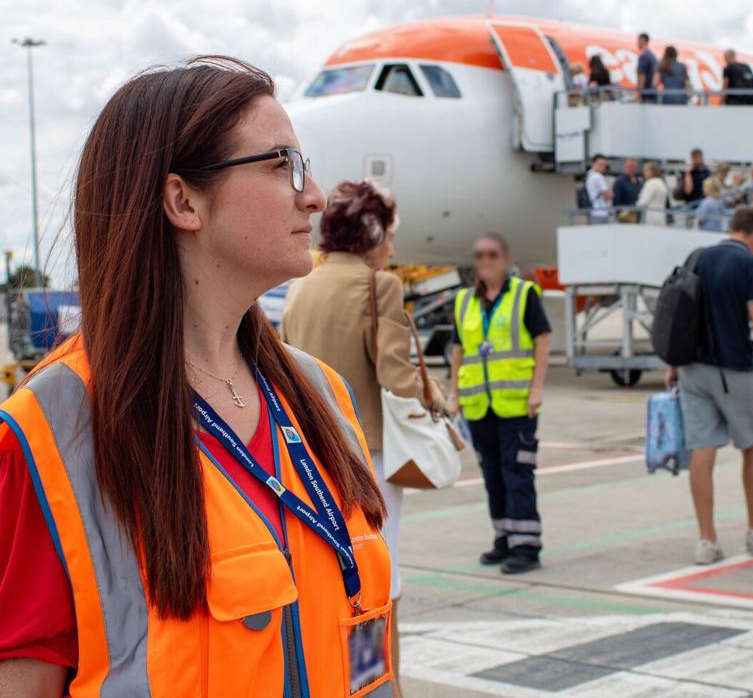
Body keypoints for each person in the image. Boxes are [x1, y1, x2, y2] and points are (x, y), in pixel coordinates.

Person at [0, 57, 396, 696]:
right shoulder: (55, 426)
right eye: (281, 165)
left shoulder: (323, 394)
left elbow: (366, 636)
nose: (315, 194)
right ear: (183, 199)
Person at [281, 179, 446, 691]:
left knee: (333, 576)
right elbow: (398, 378)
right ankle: (379, 683)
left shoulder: (301, 284)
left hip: (307, 453)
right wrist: (434, 392)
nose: (392, 249)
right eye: (389, 236)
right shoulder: (381, 287)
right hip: (367, 454)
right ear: (371, 233)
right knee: (381, 579)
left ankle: (344, 679)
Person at [667, 206, 753, 565]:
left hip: (693, 368)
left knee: (702, 450)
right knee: (752, 444)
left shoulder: (698, 258)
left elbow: (680, 313)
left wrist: (675, 363)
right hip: (732, 368)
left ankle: (707, 540)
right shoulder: (752, 267)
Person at [449, 233, 551, 575]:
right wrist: (453, 393)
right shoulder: (464, 300)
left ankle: (527, 545)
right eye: (480, 255)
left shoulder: (524, 294)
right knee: (492, 476)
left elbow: (542, 341)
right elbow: (458, 349)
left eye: (492, 255)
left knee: (517, 473)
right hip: (479, 404)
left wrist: (537, 389)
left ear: (505, 259)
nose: (486, 261)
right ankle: (505, 537)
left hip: (517, 404)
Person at [585, 153, 613, 223]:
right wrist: (610, 193)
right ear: (593, 163)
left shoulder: (589, 175)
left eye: (604, 165)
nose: (602, 167)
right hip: (600, 212)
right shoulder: (598, 176)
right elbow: (607, 196)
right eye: (600, 164)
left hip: (592, 212)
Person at [637, 32, 657, 103]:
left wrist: (639, 92)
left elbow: (642, 75)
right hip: (653, 92)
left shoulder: (644, 56)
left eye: (638, 41)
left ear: (642, 40)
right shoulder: (652, 56)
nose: (637, 43)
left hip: (646, 93)